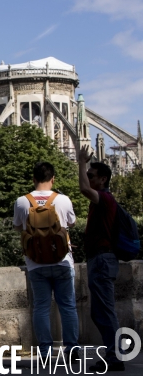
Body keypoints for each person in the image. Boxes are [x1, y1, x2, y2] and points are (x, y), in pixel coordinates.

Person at [13, 162, 79, 359]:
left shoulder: (22, 201)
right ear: (53, 179)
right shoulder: (63, 200)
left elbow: (17, 227)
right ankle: (72, 349)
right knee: (67, 306)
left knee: (41, 307)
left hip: (35, 263)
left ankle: (45, 351)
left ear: (33, 179)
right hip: (62, 261)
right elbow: (72, 223)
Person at [78, 145, 124, 372]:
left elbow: (83, 189)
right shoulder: (101, 201)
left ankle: (115, 357)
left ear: (103, 179)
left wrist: (81, 162)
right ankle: (112, 353)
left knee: (105, 309)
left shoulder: (104, 199)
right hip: (99, 259)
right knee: (99, 311)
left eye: (91, 175)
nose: (87, 178)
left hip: (103, 260)